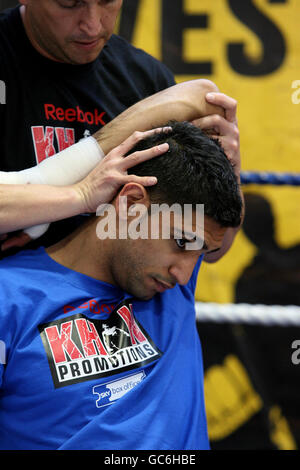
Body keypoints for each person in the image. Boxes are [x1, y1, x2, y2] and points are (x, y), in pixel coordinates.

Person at [0, 121, 243, 450]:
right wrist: (79, 192)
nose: (185, 275)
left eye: (201, 252)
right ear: (130, 204)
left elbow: (203, 96)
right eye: (183, 241)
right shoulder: (9, 295)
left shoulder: (172, 278)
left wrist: (230, 154)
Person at [0, 1, 241, 253]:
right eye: (69, 3)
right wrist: (79, 196)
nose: (92, 25)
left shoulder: (147, 79)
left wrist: (230, 169)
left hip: (114, 290)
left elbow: (213, 247)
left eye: (107, 0)